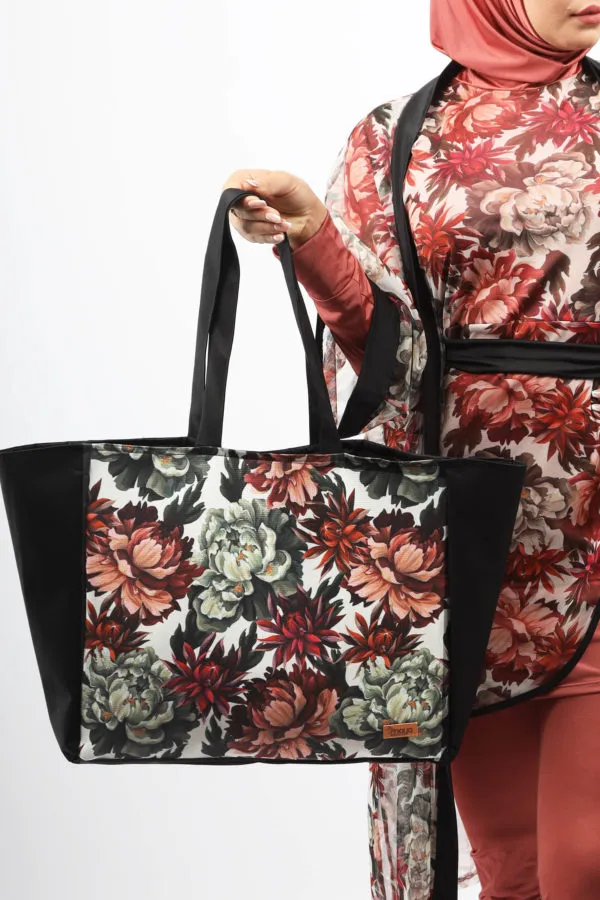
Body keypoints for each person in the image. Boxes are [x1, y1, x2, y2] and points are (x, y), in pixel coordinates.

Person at [223, 2, 600, 897]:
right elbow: (387, 355)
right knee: (516, 866)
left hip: (596, 532)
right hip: (468, 553)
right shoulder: (394, 140)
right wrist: (312, 239)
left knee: (587, 856)